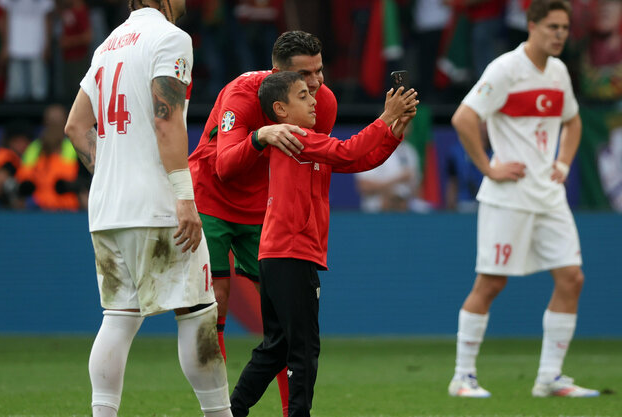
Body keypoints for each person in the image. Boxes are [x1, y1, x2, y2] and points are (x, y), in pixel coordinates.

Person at [63, 1, 232, 416]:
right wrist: (184, 196)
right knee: (197, 314)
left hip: (107, 208)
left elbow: (74, 125)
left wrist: (114, 171)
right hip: (158, 206)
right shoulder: (171, 39)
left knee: (118, 318)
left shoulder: (107, 45)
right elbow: (166, 117)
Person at [230, 71, 418, 417]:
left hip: (279, 254)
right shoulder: (296, 137)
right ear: (280, 110)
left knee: (277, 348)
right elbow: (349, 150)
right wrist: (386, 117)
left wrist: (394, 132)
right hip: (291, 254)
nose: (314, 99)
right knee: (302, 347)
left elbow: (361, 160)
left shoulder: (306, 142)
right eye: (303, 95)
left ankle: (231, 410)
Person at [448, 0, 599, 398]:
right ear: (531, 25)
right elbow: (464, 118)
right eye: (552, 26)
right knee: (491, 283)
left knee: (572, 277)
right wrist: (489, 167)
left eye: (564, 27)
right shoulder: (505, 69)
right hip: (509, 195)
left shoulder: (559, 72)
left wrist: (563, 163)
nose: (560, 34)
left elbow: (573, 120)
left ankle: (549, 377)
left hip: (548, 195)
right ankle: (462, 377)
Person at [188, 30, 337, 417]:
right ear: (277, 75)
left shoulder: (326, 103)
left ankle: (291, 410)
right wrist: (260, 136)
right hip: (212, 199)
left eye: (320, 71)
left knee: (285, 321)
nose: (317, 83)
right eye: (306, 76)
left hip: (262, 210)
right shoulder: (241, 95)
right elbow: (225, 167)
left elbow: (314, 164)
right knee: (216, 303)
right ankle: (219, 411)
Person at [16, 104, 82, 211]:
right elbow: (23, 182)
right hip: (38, 212)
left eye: (58, 122)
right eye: (51, 122)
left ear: (65, 123)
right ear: (44, 123)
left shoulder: (75, 148)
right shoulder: (33, 149)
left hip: (68, 212)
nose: (54, 126)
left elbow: (81, 183)